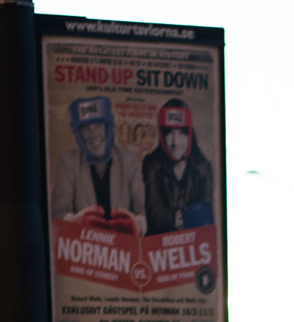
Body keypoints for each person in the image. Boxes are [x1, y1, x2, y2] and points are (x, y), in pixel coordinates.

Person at [50, 94, 144, 231]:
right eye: (86, 128)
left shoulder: (130, 160)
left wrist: (136, 226)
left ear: (109, 127)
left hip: (124, 248)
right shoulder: (67, 162)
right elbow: (58, 212)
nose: (93, 135)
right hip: (84, 248)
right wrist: (75, 223)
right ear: (78, 134)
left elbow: (141, 211)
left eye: (98, 126)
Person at [141, 97, 214, 234]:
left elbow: (206, 216)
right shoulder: (152, 163)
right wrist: (189, 216)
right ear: (162, 135)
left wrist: (176, 217)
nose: (175, 142)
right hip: (159, 248)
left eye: (181, 133)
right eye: (169, 133)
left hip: (193, 247)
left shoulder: (202, 166)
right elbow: (154, 215)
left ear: (189, 135)